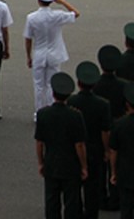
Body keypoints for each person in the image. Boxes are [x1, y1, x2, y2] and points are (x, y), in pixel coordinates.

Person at [36, 72, 88, 219]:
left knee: (51, 200)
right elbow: (79, 145)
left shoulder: (43, 114)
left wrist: (41, 162)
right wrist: (84, 166)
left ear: (53, 93)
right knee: (71, 201)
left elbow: (39, 142)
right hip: (70, 164)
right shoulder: (75, 115)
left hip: (51, 162)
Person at [26, 0, 81, 112]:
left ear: (38, 0)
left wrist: (29, 56)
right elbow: (76, 13)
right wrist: (61, 1)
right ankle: (52, 109)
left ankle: (39, 111)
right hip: (55, 54)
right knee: (52, 84)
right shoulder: (57, 15)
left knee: (39, 85)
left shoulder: (31, 17)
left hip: (39, 53)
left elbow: (28, 39)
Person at [69, 62, 112, 219]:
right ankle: (91, 214)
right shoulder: (102, 104)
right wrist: (107, 150)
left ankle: (77, 212)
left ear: (78, 83)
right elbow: (104, 131)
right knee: (92, 185)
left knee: (74, 185)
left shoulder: (71, 102)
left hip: (75, 149)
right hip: (95, 149)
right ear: (94, 84)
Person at [109, 83, 134, 219]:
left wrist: (113, 172)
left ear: (127, 105)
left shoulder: (119, 124)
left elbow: (114, 151)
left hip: (125, 172)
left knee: (126, 208)